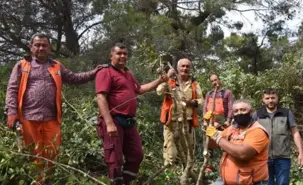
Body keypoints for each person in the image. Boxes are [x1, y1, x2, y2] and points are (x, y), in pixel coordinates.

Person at [5, 33, 102, 183]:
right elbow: (12, 89)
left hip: (52, 117)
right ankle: (38, 181)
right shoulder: (22, 65)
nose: (41, 48)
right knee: (33, 154)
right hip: (28, 117)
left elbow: (74, 78)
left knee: (52, 152)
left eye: (44, 45)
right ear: (31, 47)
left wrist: (93, 73)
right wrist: (11, 112)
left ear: (50, 48)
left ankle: (48, 179)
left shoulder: (56, 66)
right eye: (37, 45)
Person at [95, 43, 167, 185]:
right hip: (114, 120)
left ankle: (126, 181)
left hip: (129, 122)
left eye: (125, 54)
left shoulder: (127, 73)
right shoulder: (105, 72)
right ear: (111, 56)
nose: (122, 56)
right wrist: (109, 123)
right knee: (115, 158)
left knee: (136, 154)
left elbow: (139, 89)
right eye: (119, 53)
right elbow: (101, 97)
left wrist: (159, 80)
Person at [206, 99, 269, 185]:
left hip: (250, 182)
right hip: (224, 180)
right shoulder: (232, 129)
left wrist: (217, 136)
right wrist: (209, 124)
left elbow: (243, 154)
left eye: (243, 110)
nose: (239, 113)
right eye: (236, 111)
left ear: (251, 112)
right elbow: (211, 144)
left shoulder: (257, 131)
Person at [157, 58, 204, 168]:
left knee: (188, 152)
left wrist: (191, 102)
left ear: (190, 69)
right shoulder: (169, 80)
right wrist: (167, 77)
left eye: (187, 66)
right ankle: (169, 177)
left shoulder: (194, 83)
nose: (185, 68)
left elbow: (201, 100)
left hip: (187, 123)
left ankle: (187, 177)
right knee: (170, 153)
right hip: (171, 122)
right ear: (177, 68)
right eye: (182, 66)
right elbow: (159, 91)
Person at [254, 88, 303, 185]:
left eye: (273, 98)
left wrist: (301, 152)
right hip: (263, 159)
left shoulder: (286, 113)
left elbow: (295, 132)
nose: (270, 101)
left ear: (278, 98)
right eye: (267, 98)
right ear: (263, 100)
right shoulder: (257, 115)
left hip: (283, 158)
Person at [202, 73, 234, 173]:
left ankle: (225, 167)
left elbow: (231, 108)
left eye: (215, 80)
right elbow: (204, 107)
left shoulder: (227, 93)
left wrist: (228, 121)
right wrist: (205, 120)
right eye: (212, 81)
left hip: (222, 122)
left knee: (223, 143)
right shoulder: (209, 94)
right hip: (210, 121)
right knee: (208, 144)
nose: (214, 82)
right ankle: (208, 166)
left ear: (219, 80)